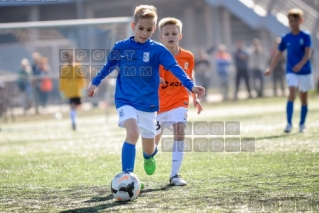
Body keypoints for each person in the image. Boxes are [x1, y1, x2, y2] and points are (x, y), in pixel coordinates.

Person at [86, 5, 205, 177]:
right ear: (133, 26)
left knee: (149, 148)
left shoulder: (158, 50)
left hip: (148, 104)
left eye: (149, 29)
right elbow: (108, 66)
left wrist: (191, 86)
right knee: (133, 133)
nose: (144, 33)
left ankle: (148, 156)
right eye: (141, 28)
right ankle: (127, 176)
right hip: (125, 100)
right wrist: (94, 83)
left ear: (154, 29)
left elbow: (174, 67)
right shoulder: (121, 47)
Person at [154, 17, 203, 186]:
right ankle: (149, 156)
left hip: (179, 102)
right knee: (152, 143)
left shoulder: (188, 56)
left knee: (180, 133)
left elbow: (189, 77)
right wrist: (155, 78)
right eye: (166, 33)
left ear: (180, 36)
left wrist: (195, 97)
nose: (170, 36)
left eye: (174, 33)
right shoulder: (156, 56)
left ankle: (174, 175)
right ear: (160, 37)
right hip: (157, 106)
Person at [265, 8, 314, 133]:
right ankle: (289, 124)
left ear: (300, 21)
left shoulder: (306, 36)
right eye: (291, 21)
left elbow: (308, 53)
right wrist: (270, 68)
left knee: (303, 97)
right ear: (288, 22)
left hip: (305, 71)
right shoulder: (285, 37)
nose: (293, 23)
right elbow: (278, 54)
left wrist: (301, 64)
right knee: (292, 93)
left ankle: (302, 124)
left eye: (295, 20)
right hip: (291, 70)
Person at [59, 52, 87, 130]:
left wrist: (83, 88)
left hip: (76, 91)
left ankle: (74, 120)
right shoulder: (64, 68)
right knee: (72, 106)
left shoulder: (78, 66)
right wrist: (62, 90)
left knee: (76, 107)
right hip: (69, 91)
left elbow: (81, 78)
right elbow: (62, 80)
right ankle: (73, 122)